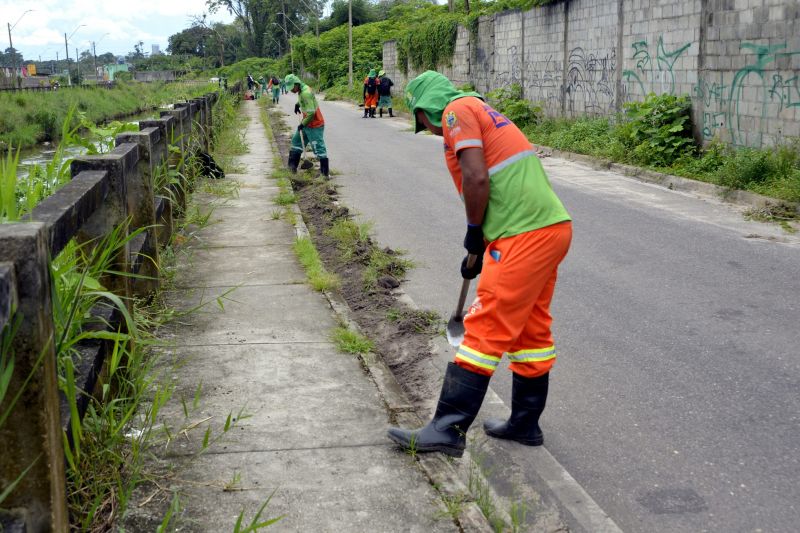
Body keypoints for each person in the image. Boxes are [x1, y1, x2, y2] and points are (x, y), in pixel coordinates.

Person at [386, 71, 572, 458]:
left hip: (522, 234)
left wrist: (473, 230)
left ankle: (447, 428)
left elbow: (476, 177)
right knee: (529, 329)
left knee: (484, 325)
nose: (428, 130)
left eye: (420, 120)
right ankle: (525, 422)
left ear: (425, 107)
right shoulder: (481, 108)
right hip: (549, 228)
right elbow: (498, 187)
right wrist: (477, 251)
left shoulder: (456, 111)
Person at [285, 74, 329, 178]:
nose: (291, 90)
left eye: (292, 88)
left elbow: (311, 113)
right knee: (296, 141)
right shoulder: (303, 88)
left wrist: (302, 124)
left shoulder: (305, 93)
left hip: (314, 124)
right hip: (307, 123)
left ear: (297, 84)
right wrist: (298, 104)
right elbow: (306, 101)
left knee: (318, 148)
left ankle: (324, 173)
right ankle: (292, 168)